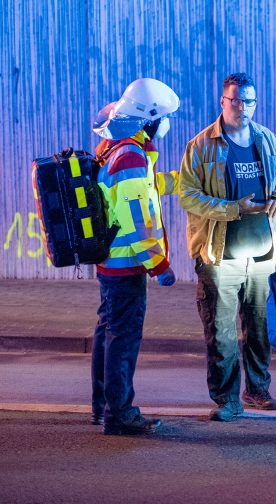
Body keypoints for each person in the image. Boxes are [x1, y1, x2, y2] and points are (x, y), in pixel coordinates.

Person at [179, 73, 276, 422]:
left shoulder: (267, 140)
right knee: (222, 332)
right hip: (219, 255)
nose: (243, 107)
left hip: (260, 253)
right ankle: (227, 399)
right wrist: (232, 209)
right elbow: (187, 194)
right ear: (222, 102)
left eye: (249, 101)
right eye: (236, 100)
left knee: (258, 327)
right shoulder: (201, 145)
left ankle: (258, 390)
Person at [90, 77, 180, 435]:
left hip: (111, 261)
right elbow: (137, 219)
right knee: (122, 338)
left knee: (107, 332)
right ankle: (120, 414)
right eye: (162, 118)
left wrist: (175, 181)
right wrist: (159, 265)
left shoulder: (115, 147)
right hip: (126, 263)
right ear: (149, 118)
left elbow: (139, 191)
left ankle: (103, 407)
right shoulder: (130, 155)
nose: (165, 125)